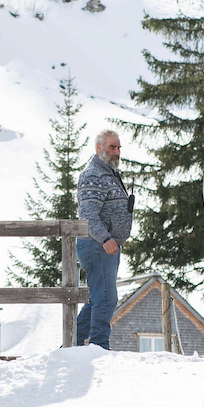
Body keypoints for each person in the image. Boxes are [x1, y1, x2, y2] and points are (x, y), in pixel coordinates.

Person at [74, 129, 132, 348]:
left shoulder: (109, 172)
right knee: (106, 298)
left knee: (98, 298)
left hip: (107, 245)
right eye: (112, 147)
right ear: (99, 148)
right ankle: (99, 346)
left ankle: (74, 342)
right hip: (98, 244)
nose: (116, 152)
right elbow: (88, 214)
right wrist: (105, 238)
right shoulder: (94, 174)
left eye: (118, 148)